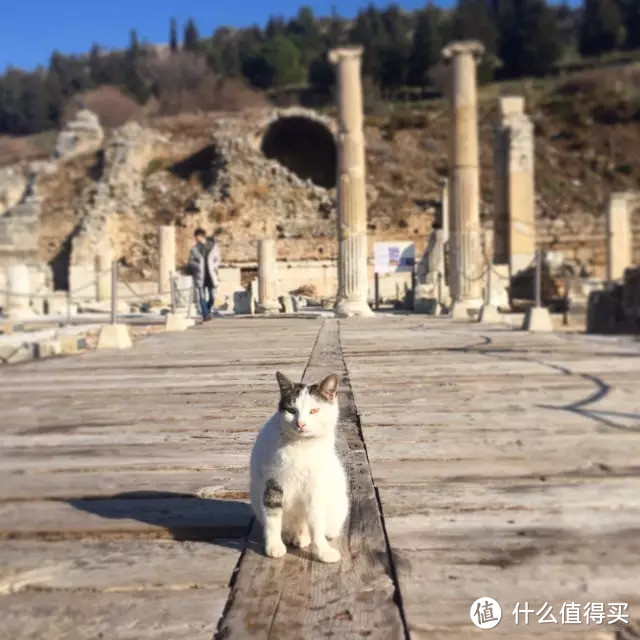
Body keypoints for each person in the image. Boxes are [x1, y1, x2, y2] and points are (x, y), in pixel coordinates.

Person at [188, 228, 221, 320]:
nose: (195, 239)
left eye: (196, 237)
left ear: (200, 236)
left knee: (212, 298)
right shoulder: (194, 249)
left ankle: (207, 310)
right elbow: (190, 262)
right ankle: (205, 315)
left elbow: (218, 260)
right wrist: (197, 265)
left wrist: (213, 266)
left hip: (211, 275)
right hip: (200, 276)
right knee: (201, 296)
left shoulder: (213, 246)